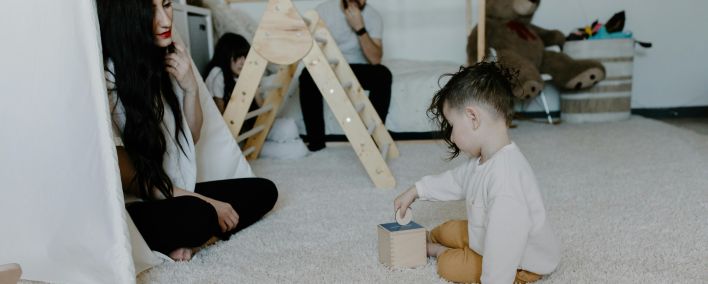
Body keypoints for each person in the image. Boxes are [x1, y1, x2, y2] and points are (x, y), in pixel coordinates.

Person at [96, 0, 278, 262]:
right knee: (201, 213)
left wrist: (190, 88)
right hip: (138, 205)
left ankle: (200, 240)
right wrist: (207, 202)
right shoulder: (107, 80)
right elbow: (136, 181)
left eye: (167, 5)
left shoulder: (164, 64)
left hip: (175, 192)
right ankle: (198, 232)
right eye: (151, 12)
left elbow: (189, 138)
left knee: (264, 190)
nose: (165, 20)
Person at [393, 62, 560, 283]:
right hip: (487, 235)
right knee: (446, 230)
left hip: (519, 262)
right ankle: (433, 243)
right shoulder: (484, 159)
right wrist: (417, 190)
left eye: (452, 125)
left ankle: (438, 252)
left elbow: (503, 249)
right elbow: (456, 180)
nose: (451, 137)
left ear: (473, 118)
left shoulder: (506, 182)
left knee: (450, 266)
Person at [299, 0, 392, 151]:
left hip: (358, 67)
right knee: (306, 75)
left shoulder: (373, 16)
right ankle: (316, 142)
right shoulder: (323, 10)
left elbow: (375, 59)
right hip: (328, 66)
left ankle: (373, 139)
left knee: (383, 74)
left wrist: (360, 28)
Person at [204, 32, 254, 114]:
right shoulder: (217, 74)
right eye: (238, 56)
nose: (243, 62)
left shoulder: (237, 75)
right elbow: (220, 113)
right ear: (226, 55)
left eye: (245, 57)